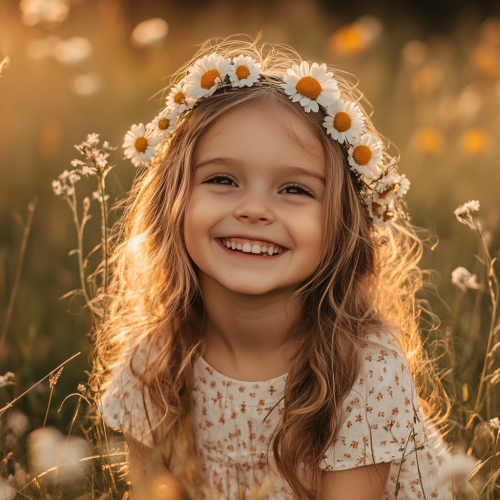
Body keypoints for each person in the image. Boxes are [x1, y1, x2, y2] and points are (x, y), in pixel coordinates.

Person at [98, 36, 452, 500]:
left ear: (342, 224)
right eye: (222, 179)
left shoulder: (364, 370)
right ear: (174, 203)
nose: (255, 209)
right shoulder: (154, 366)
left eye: (295, 189)